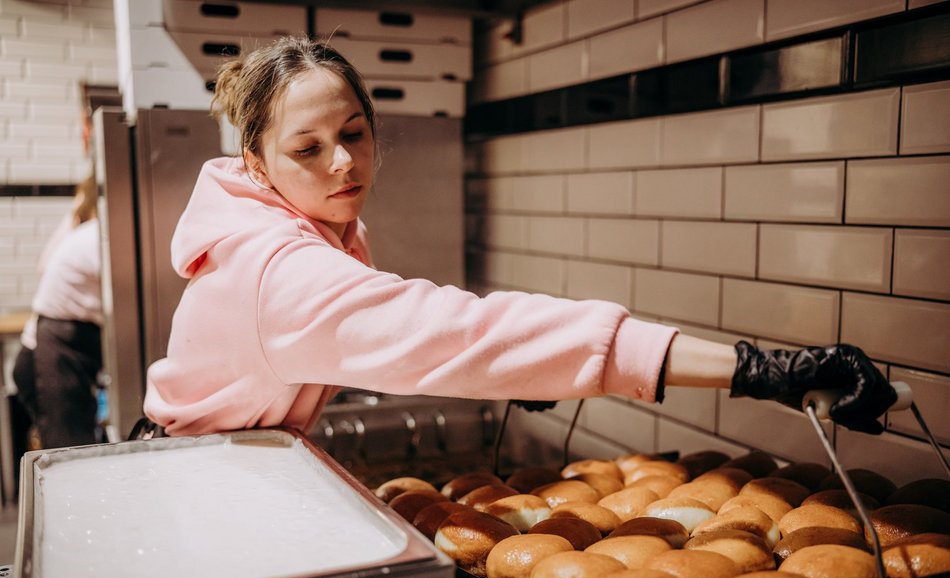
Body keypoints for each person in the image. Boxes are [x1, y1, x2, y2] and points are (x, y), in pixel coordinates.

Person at [143, 36, 896, 438]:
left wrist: (525, 370)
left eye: (354, 133)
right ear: (257, 163)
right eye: (307, 148)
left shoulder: (298, 225)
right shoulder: (278, 269)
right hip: (201, 479)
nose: (343, 162)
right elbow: (458, 333)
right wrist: (761, 370)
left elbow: (406, 343)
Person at [12, 173, 104, 448]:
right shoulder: (96, 236)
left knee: (69, 444)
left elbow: (43, 266)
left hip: (47, 340)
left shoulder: (81, 230)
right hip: (58, 344)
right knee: (69, 448)